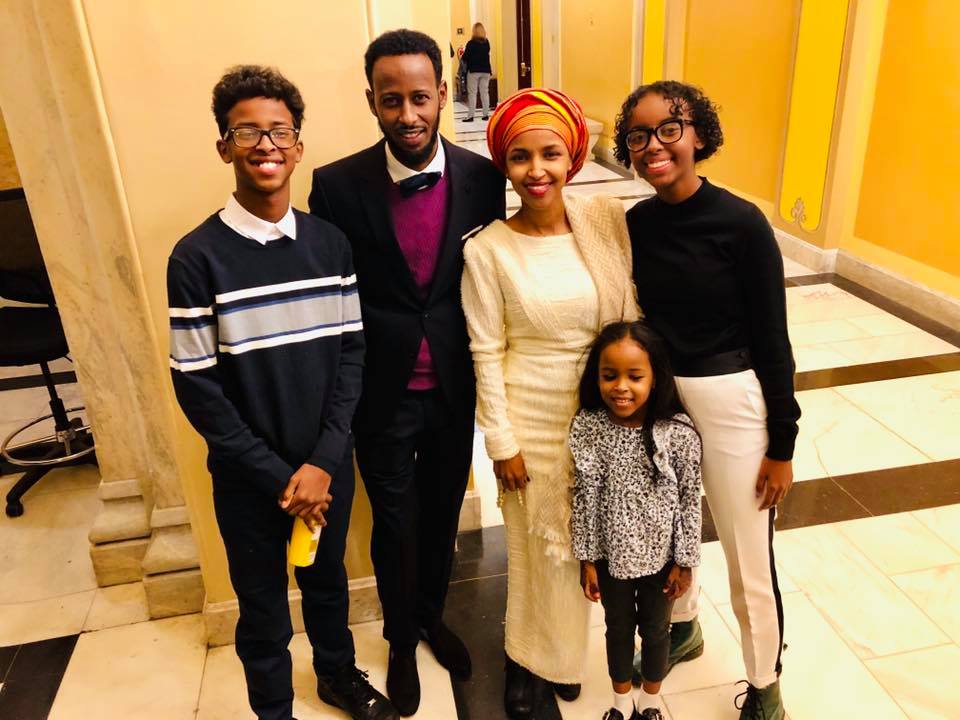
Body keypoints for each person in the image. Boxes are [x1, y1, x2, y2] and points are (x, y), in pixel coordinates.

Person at [167, 66, 396, 720]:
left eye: (279, 132)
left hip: (325, 468)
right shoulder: (196, 258)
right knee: (263, 606)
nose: (266, 145)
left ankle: (337, 676)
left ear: (298, 147)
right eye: (248, 132)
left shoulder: (330, 245)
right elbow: (198, 386)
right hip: (249, 479)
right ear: (224, 147)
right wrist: (279, 476)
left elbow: (353, 355)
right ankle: (273, 709)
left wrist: (323, 463)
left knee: (327, 586)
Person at [308, 29, 506, 718]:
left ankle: (431, 616)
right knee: (395, 522)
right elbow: (332, 300)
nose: (408, 114)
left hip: (455, 388)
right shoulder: (334, 187)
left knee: (443, 512)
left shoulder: (485, 181)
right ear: (372, 101)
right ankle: (398, 637)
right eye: (391, 100)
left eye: (420, 97)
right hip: (380, 394)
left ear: (444, 95)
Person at [616, 80, 800, 720]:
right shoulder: (634, 223)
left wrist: (783, 443)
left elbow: (773, 338)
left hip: (731, 400)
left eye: (670, 128)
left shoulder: (742, 223)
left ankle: (765, 682)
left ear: (698, 135)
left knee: (749, 554)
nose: (653, 146)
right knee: (671, 533)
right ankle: (684, 628)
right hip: (663, 399)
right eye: (638, 136)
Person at [461, 88, 639, 720]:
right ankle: (526, 662)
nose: (535, 171)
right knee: (539, 552)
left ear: (573, 160)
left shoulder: (605, 224)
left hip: (601, 416)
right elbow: (485, 350)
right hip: (531, 421)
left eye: (549, 154)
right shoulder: (487, 250)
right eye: (519, 157)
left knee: (586, 547)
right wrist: (500, 441)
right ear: (503, 166)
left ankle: (563, 656)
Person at [571, 321, 702, 720]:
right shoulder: (590, 427)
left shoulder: (676, 432)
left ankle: (649, 704)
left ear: (655, 377)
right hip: (611, 560)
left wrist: (685, 561)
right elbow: (584, 496)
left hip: (661, 561)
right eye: (610, 376)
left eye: (635, 376)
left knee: (657, 632)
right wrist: (588, 559)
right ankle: (620, 702)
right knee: (617, 630)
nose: (621, 387)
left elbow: (689, 500)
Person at [462, 22, 493, 122]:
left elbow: (465, 57)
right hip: (486, 71)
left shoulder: (471, 44)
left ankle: (471, 116)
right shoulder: (486, 42)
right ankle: (485, 115)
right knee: (484, 92)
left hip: (474, 71)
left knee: (473, 93)